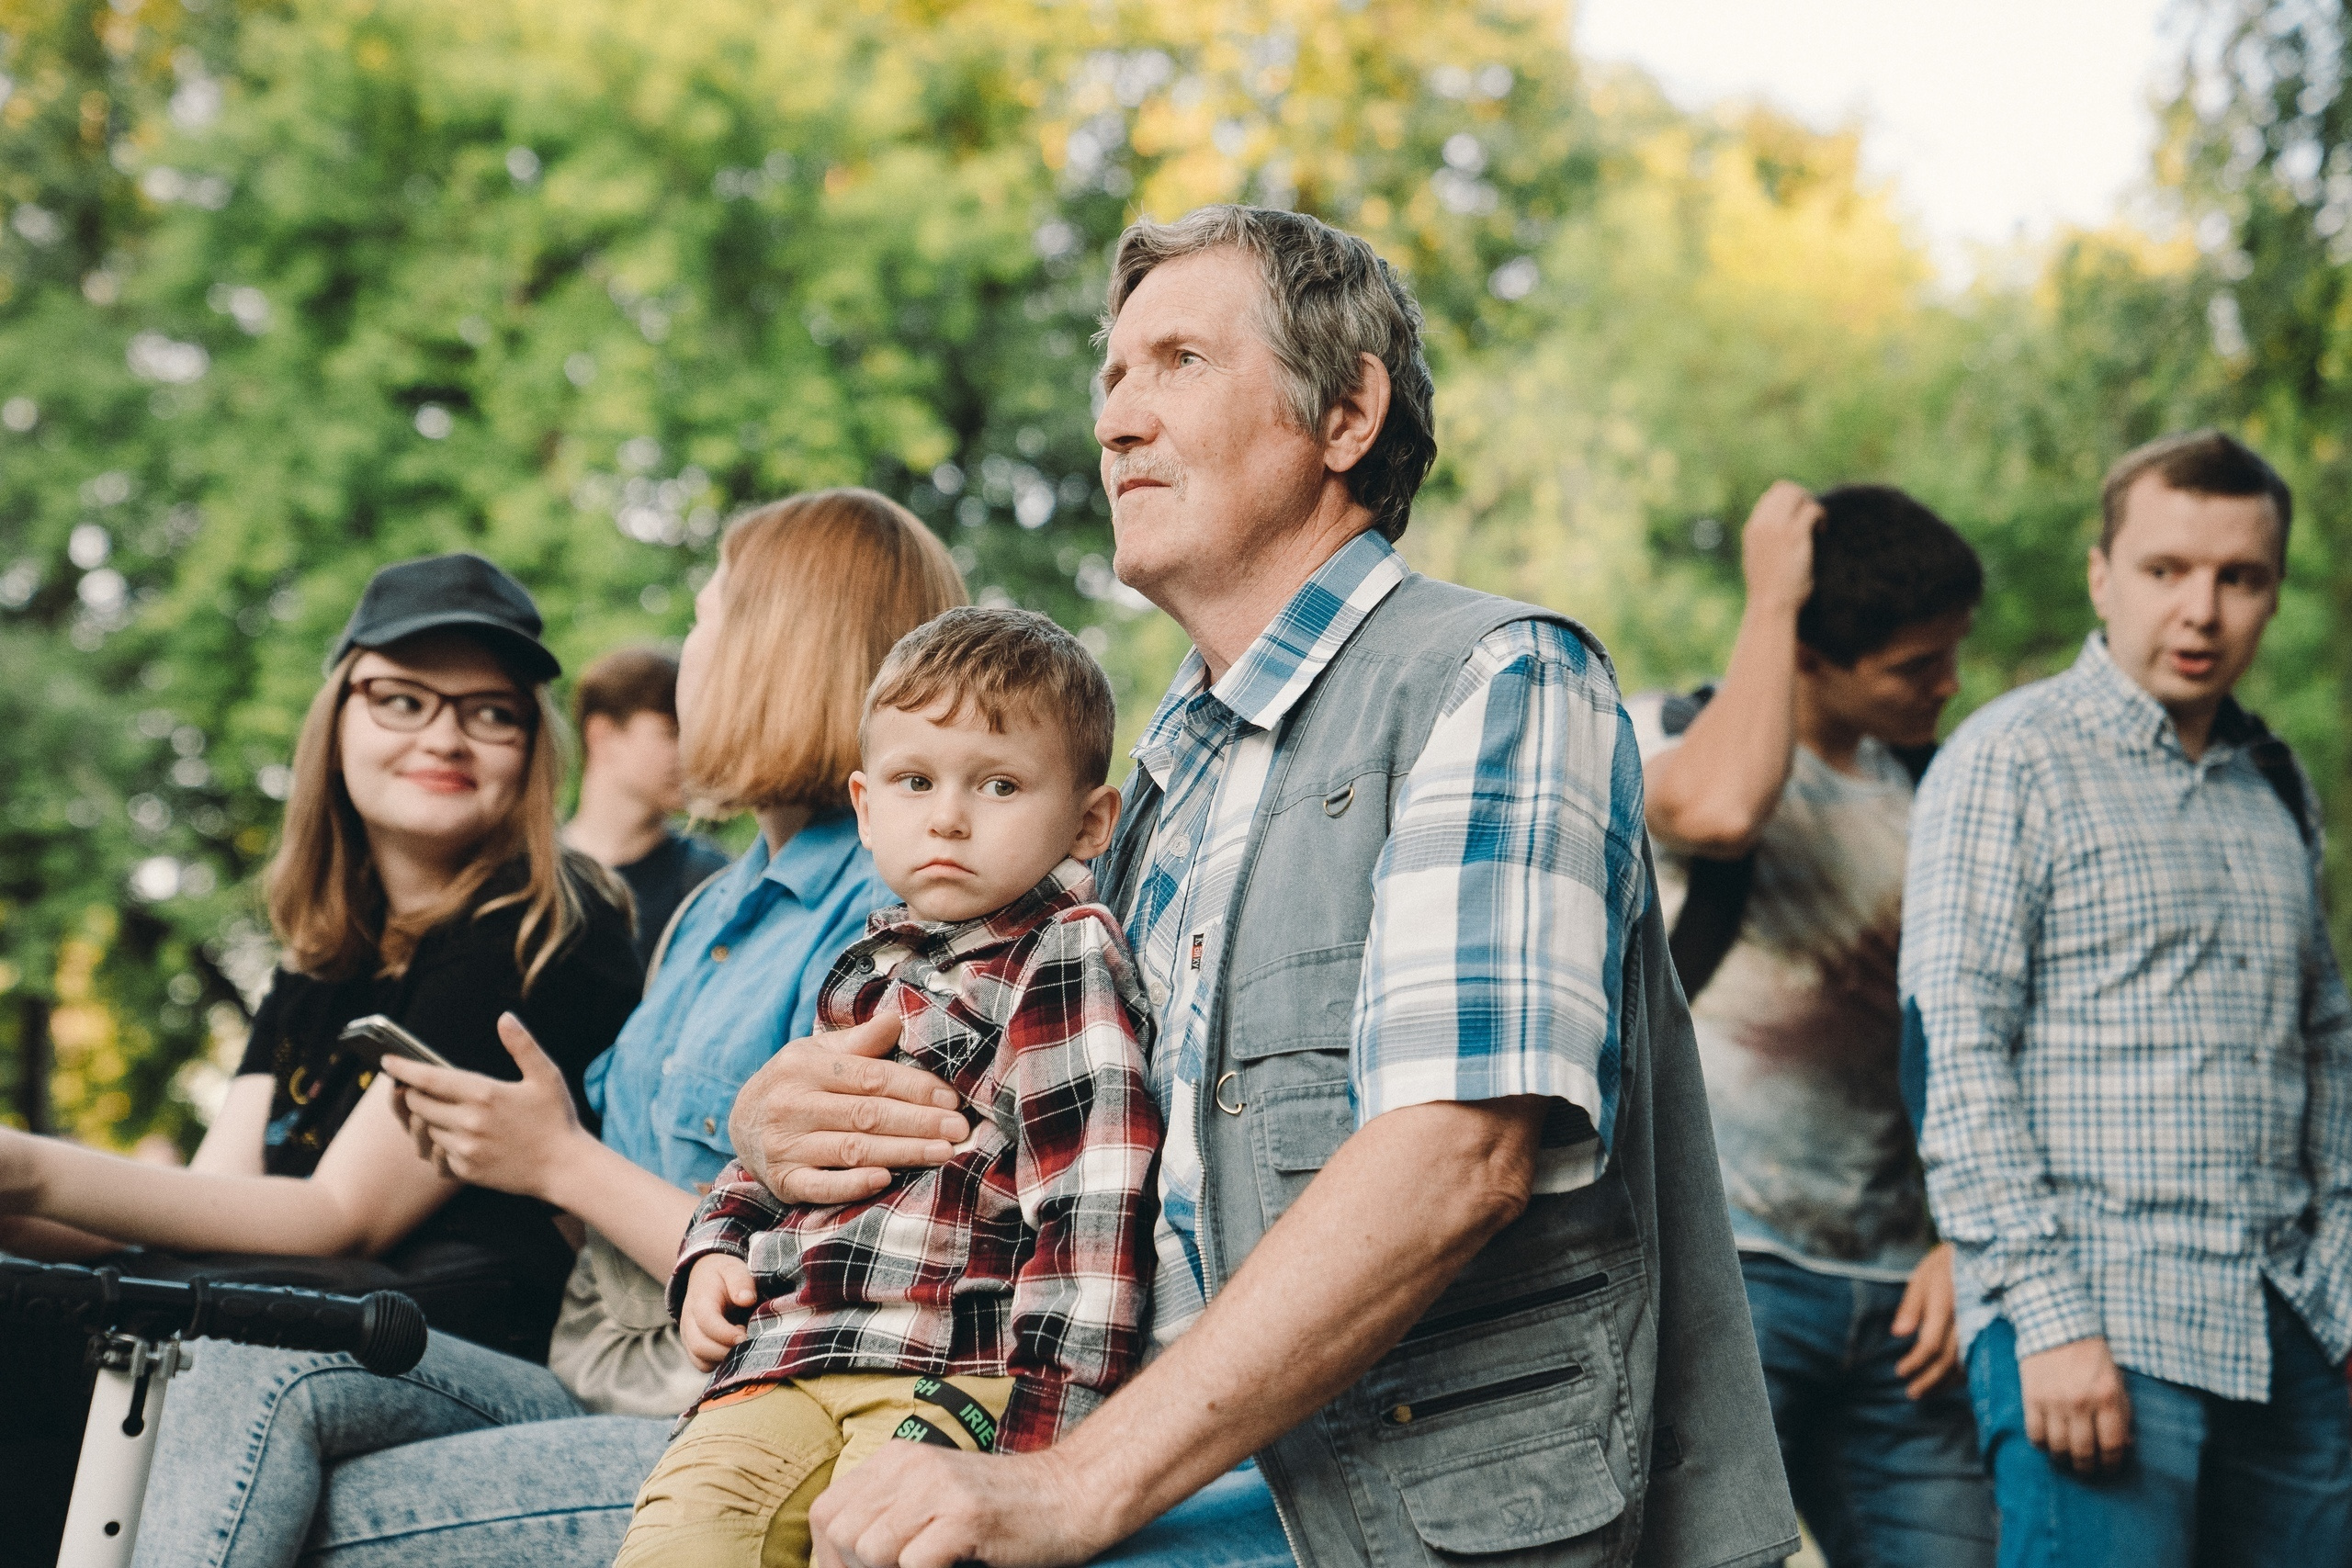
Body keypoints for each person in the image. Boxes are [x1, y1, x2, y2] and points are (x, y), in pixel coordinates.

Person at [724, 206, 1798, 1568]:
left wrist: (1066, 1486)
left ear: (1346, 413)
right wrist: (778, 1132)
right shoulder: (1151, 779)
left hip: (1366, 1512)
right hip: (1129, 1461)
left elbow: (1455, 1160)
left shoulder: (1498, 676)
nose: (1116, 421)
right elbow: (1025, 1130)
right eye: (1111, 378)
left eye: (1178, 361)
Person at [125, 490, 967, 1568]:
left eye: (706, 620)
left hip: (746, 1410)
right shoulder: (712, 912)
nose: (682, 658)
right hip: (596, 1372)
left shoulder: (888, 916)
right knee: (252, 1367)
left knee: (286, 1452)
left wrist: (554, 1161)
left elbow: (834, 1281)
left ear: (779, 651)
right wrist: (503, 1148)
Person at [0, 552, 641, 1563]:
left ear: (532, 748)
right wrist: (26, 1219)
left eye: (490, 713)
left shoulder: (542, 926)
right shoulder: (320, 959)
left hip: (464, 1350)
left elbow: (336, 1220)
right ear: (337, 716)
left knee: (219, 1352)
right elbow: (216, 1201)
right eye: (402, 699)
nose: (443, 735)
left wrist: (30, 1164)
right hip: (308, 1317)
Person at [618, 605, 1158, 1568]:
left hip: (948, 1364)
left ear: (1088, 820)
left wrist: (1050, 1432)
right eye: (916, 782)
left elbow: (1092, 1200)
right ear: (868, 805)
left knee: (880, 1551)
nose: (947, 816)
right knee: (677, 1540)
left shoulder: (1060, 956)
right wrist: (711, 1251)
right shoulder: (865, 969)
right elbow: (775, 1157)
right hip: (783, 1358)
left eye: (998, 784)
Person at [1904, 429, 2352, 1566]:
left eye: (2237, 577)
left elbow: (2326, 1046)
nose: (2200, 610)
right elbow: (1955, 1047)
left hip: (2287, 1328)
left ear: (2270, 592)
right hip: (2101, 1324)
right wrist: (2047, 1324)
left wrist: (2340, 1291)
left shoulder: (2275, 786)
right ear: (2102, 575)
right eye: (2165, 571)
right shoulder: (2011, 759)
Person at [1634, 480, 1993, 1565]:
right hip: (1725, 1278)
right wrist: (1772, 594)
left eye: (1950, 653)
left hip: (1900, 1302)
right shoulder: (1666, 735)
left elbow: (1981, 1040)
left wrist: (1956, 1242)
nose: (1948, 683)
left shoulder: (1942, 790)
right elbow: (1721, 811)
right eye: (1912, 666)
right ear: (1812, 652)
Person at [565, 646, 731, 967]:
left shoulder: (712, 882)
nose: (691, 753)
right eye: (671, 732)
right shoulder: (526, 872)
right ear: (602, 736)